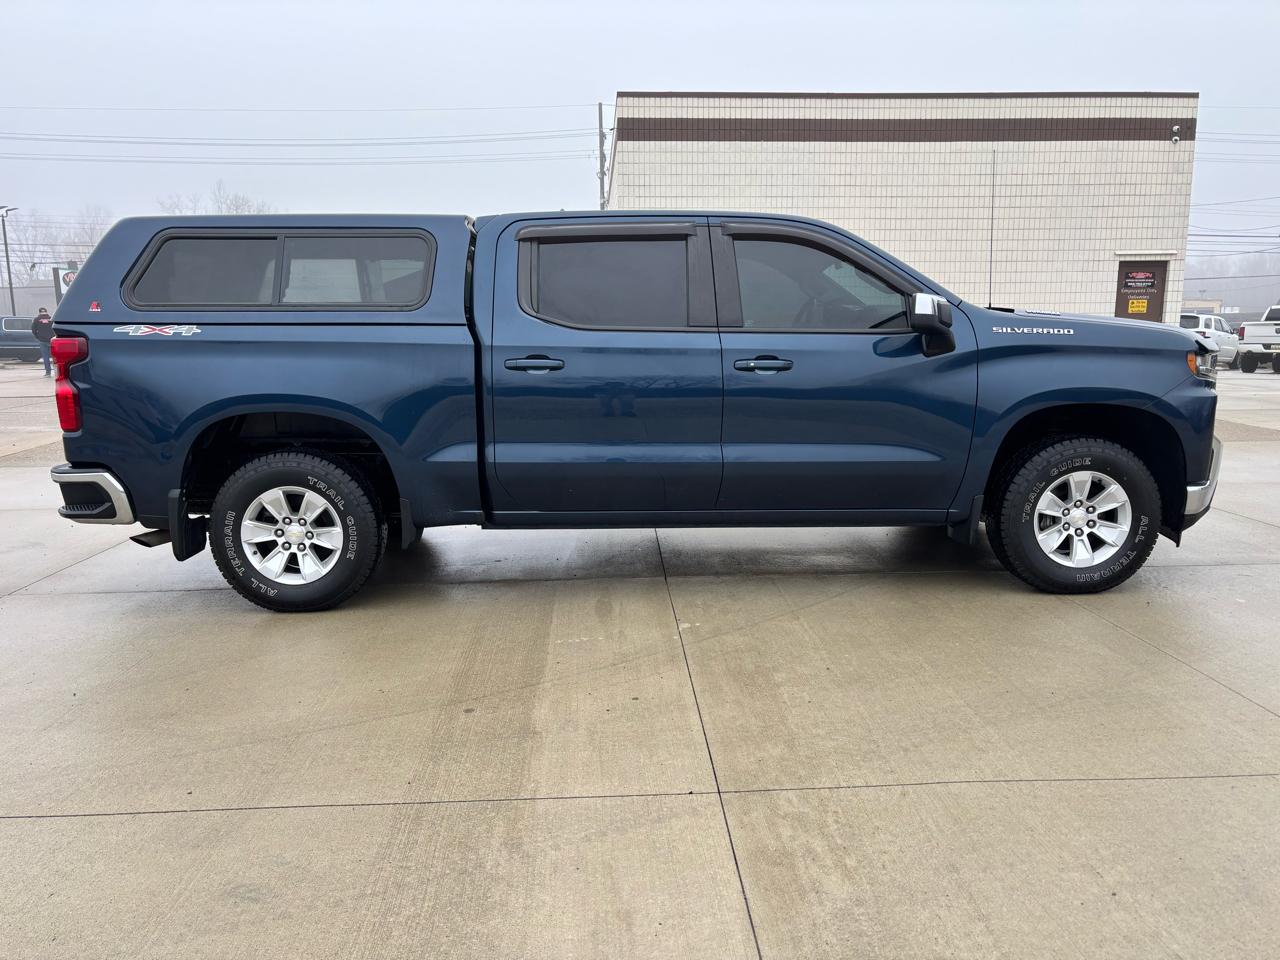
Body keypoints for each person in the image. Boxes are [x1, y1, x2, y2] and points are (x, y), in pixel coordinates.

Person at [31, 307, 54, 376]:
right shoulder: (51, 318)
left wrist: (38, 337)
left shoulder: (36, 319)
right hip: (52, 340)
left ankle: (48, 372)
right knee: (54, 356)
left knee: (45, 357)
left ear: (39, 312)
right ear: (46, 311)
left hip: (42, 340)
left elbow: (33, 330)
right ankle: (57, 371)